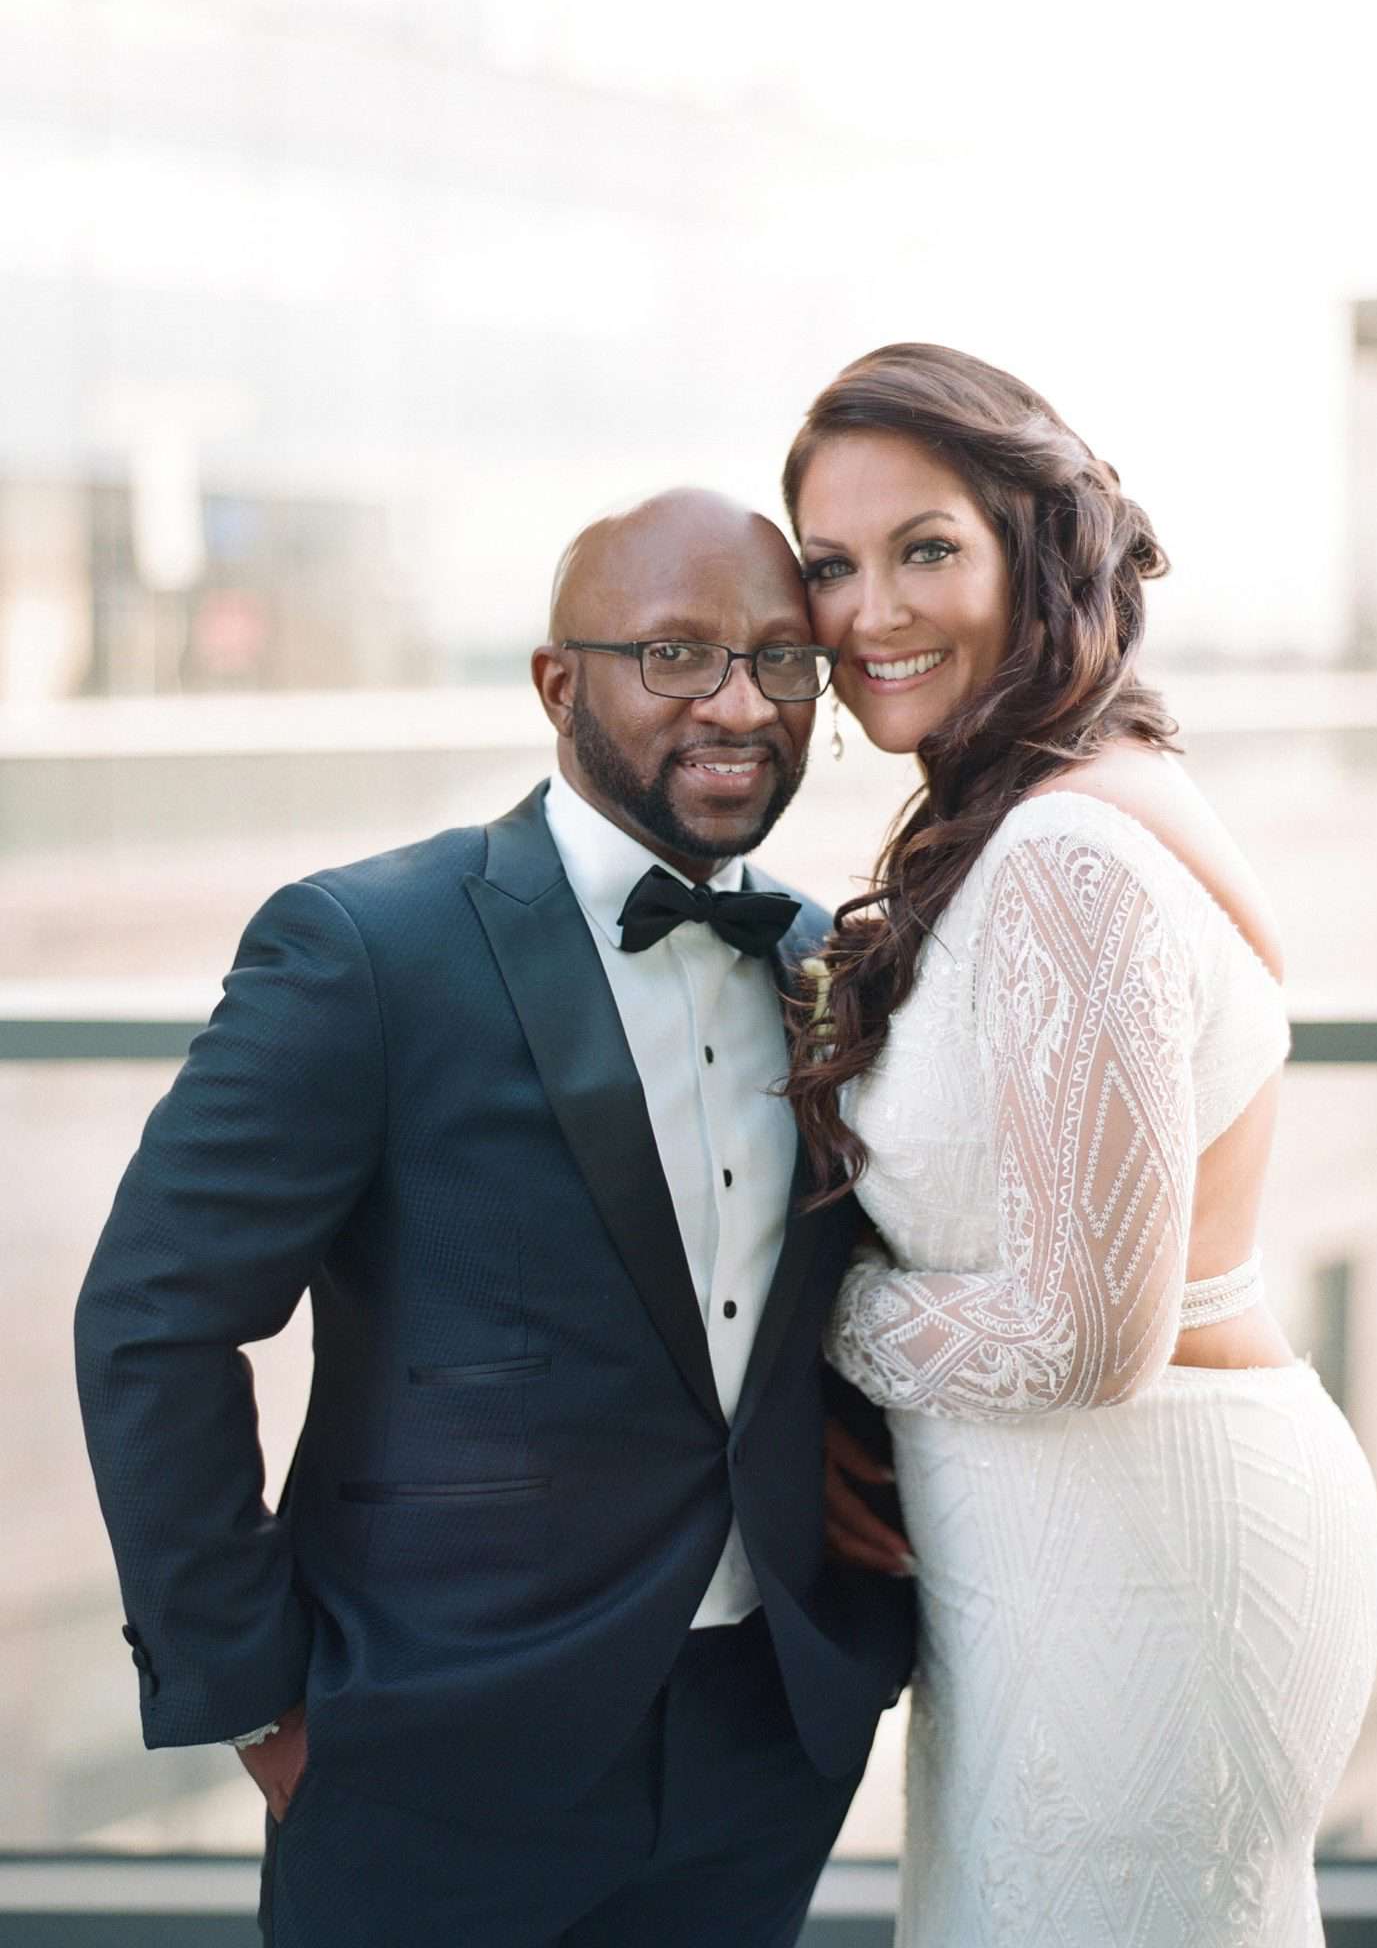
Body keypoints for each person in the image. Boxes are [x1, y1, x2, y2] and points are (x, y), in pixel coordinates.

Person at [74, 488, 913, 1948]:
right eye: (676, 657)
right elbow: (156, 1317)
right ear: (556, 681)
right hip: (431, 1752)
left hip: (760, 1744)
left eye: (784, 661)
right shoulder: (367, 951)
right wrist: (255, 1690)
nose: (741, 703)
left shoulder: (823, 963)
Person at [781, 345, 1377, 1946]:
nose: (871, 615)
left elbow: (1074, 1333)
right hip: (1066, 1559)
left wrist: (792, 1337)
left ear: (1030, 555)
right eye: (830, 568)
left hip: (1144, 1560)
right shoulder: (1050, 799)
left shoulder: (1065, 856)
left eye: (926, 550)